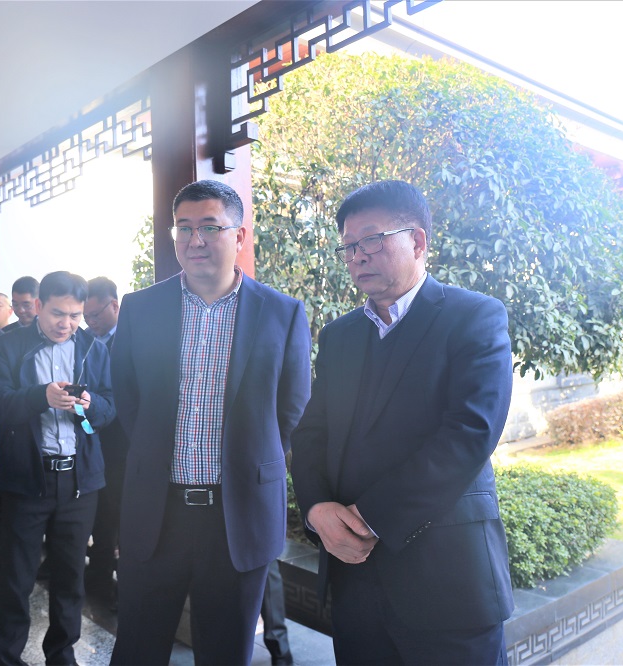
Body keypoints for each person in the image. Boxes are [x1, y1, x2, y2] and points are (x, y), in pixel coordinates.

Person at [290, 180, 515, 664]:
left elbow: (470, 434)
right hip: (354, 585)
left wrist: (369, 518)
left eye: (371, 239)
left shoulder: (473, 317)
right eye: (349, 246)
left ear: (417, 241)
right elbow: (311, 434)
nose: (357, 256)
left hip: (449, 582)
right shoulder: (339, 337)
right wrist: (317, 509)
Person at [109, 180, 312, 665]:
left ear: (239, 236)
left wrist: (251, 456)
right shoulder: (140, 308)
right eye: (184, 228)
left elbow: (292, 408)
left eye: (209, 227)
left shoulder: (282, 313)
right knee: (137, 649)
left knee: (225, 652)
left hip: (237, 516)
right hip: (158, 511)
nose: (194, 239)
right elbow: (128, 399)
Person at [0, 270, 115, 666]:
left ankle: (61, 656)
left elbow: (110, 408)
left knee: (70, 578)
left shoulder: (93, 349)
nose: (66, 324)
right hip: (27, 479)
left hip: (79, 481)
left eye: (75, 316)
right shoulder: (7, 347)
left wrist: (90, 405)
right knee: (15, 579)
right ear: (39, 306)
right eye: (58, 313)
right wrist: (41, 396)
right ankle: (6, 658)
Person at [82, 276, 126, 602]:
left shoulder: (134, 338)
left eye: (95, 315)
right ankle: (97, 580)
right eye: (85, 316)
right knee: (100, 515)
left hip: (125, 445)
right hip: (92, 441)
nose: (90, 322)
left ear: (114, 305)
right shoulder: (83, 343)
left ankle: (123, 587)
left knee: (121, 515)